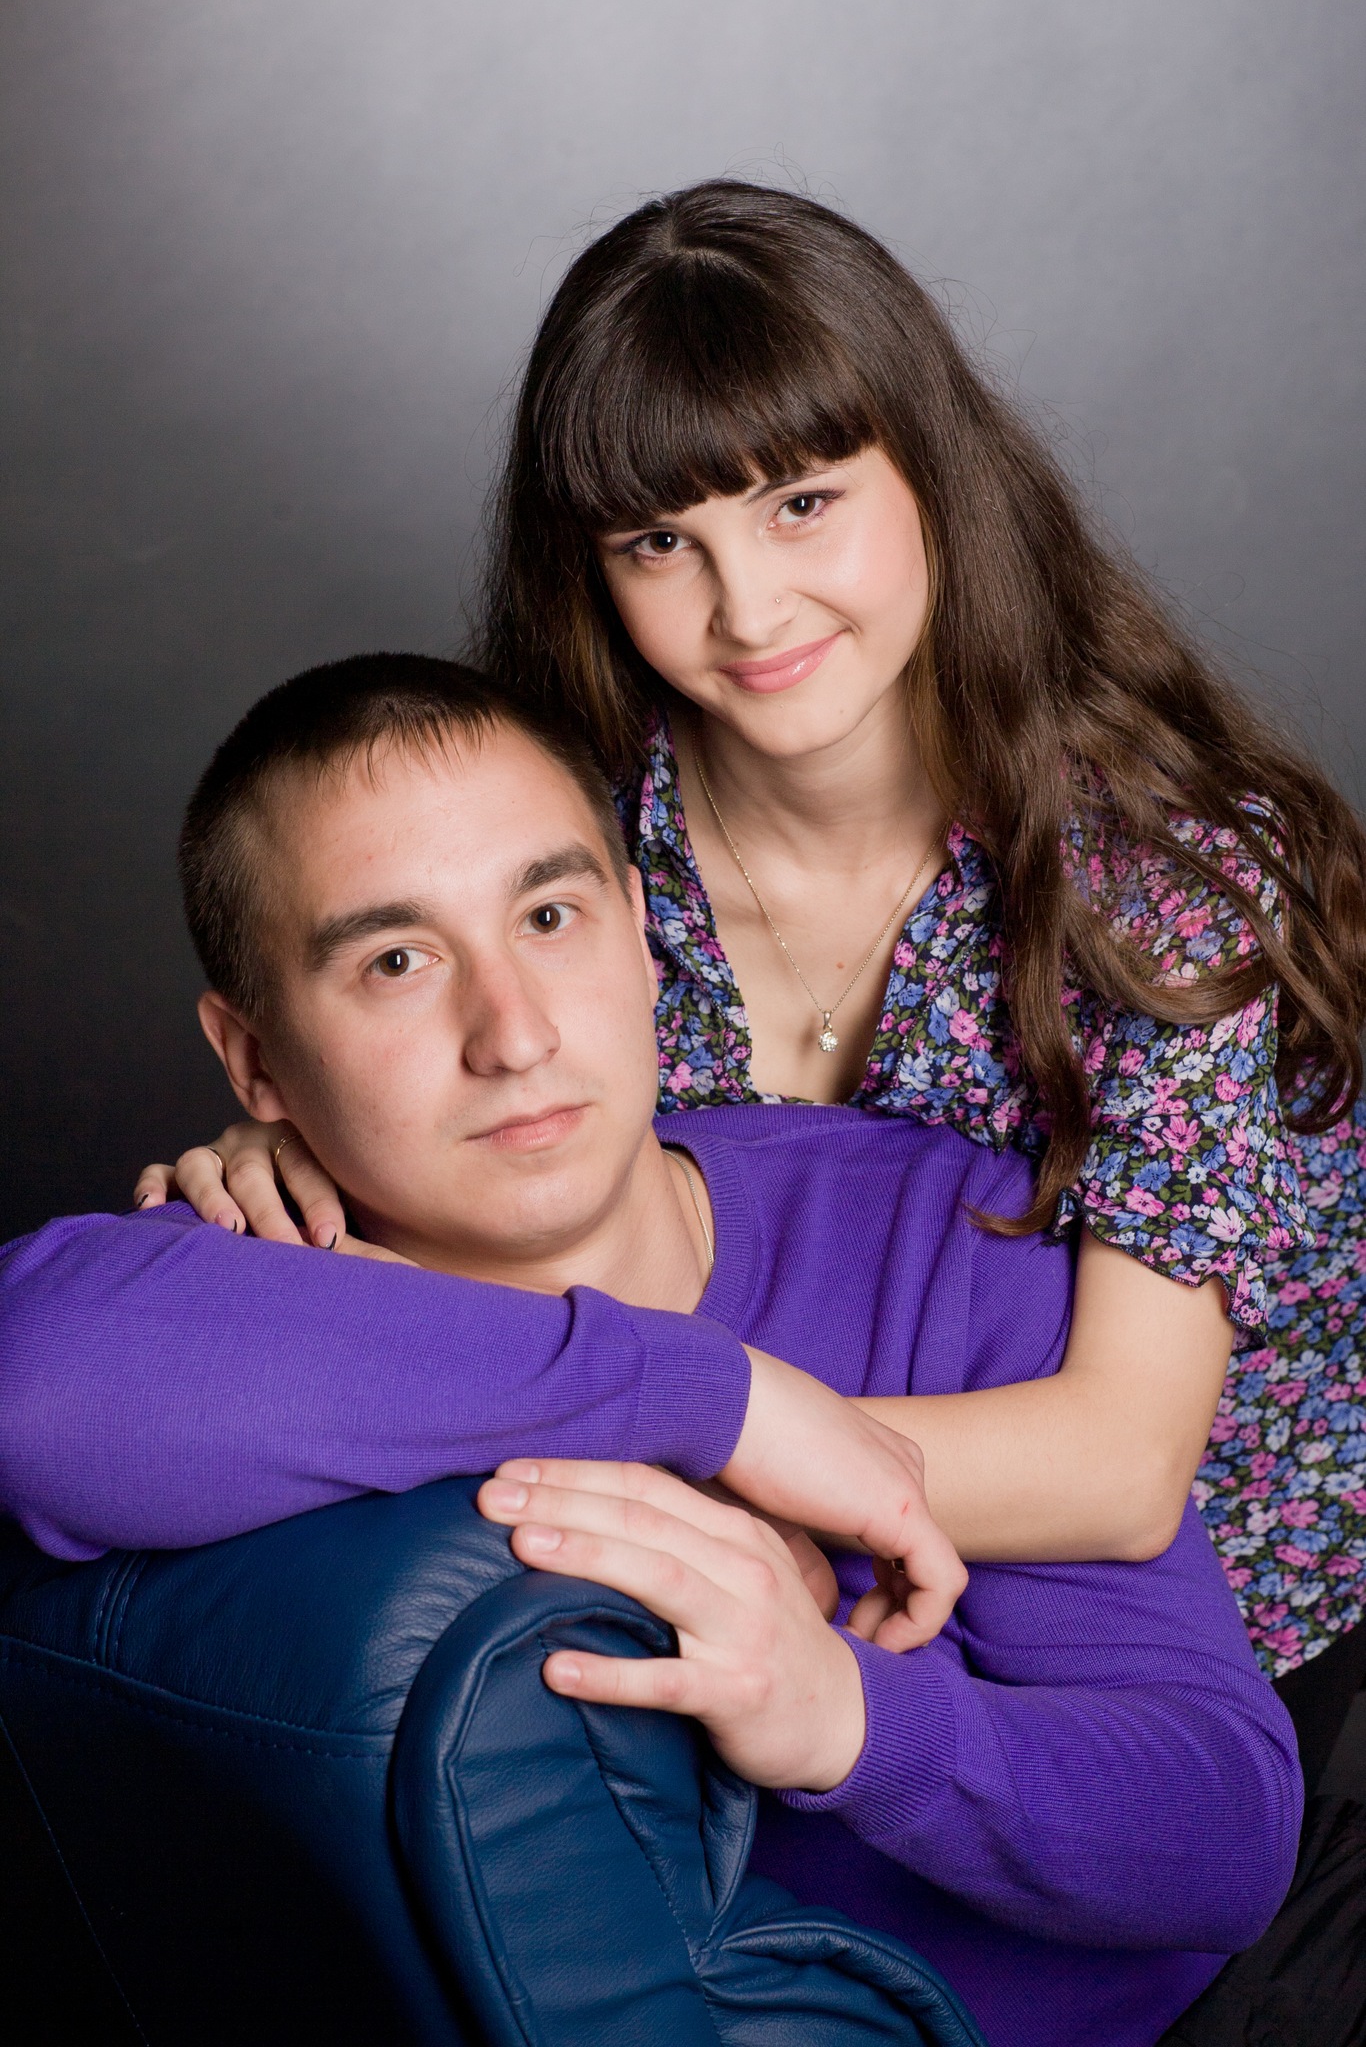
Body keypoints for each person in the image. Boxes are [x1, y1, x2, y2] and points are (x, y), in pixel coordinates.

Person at [144, 183, 1366, 1784]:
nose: (747, 608)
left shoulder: (1169, 885)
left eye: (800, 504)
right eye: (661, 542)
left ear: (931, 474)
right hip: (760, 1634)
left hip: (1200, 1668)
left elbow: (1121, 1469)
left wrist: (650, 1446)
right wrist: (307, 1133)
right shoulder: (572, 851)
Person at [0, 655, 1299, 2047]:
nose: (513, 1034)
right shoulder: (263, 1265)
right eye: (396, 962)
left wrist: (849, 1719)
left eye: (549, 916)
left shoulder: (944, 1228)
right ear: (255, 1062)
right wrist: (713, 1404)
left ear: (636, 930)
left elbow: (1226, 1833)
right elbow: (31, 1388)